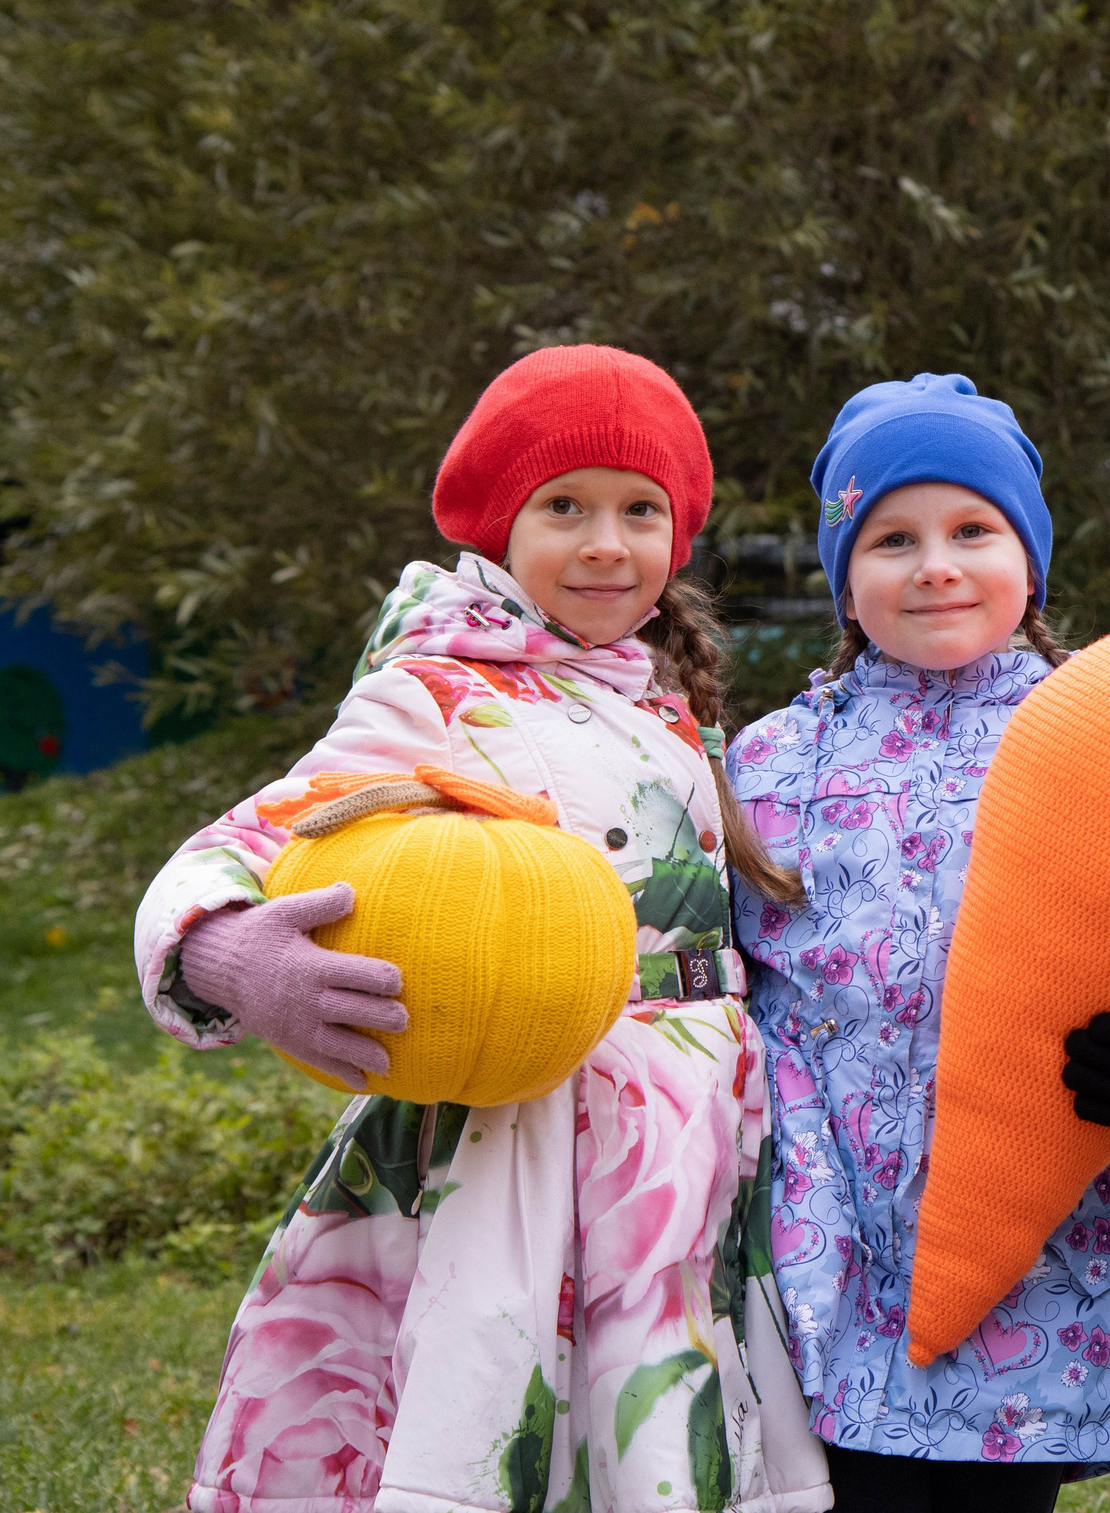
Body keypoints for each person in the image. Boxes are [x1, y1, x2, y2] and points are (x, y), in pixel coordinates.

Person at [133, 345, 830, 1513]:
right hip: (523, 1120)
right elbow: (245, 841)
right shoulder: (441, 687)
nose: (606, 543)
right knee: (509, 1384)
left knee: (654, 1401)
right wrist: (225, 949)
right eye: (566, 508)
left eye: (639, 510)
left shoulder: (652, 688)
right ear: (499, 529)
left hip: (689, 1128)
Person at [724, 373, 1110, 1511]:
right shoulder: (769, 764)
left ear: (1029, 558)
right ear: (842, 577)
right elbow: (719, 985)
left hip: (1025, 1280)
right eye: (891, 538)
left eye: (972, 528)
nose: (934, 564)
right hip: (810, 1258)